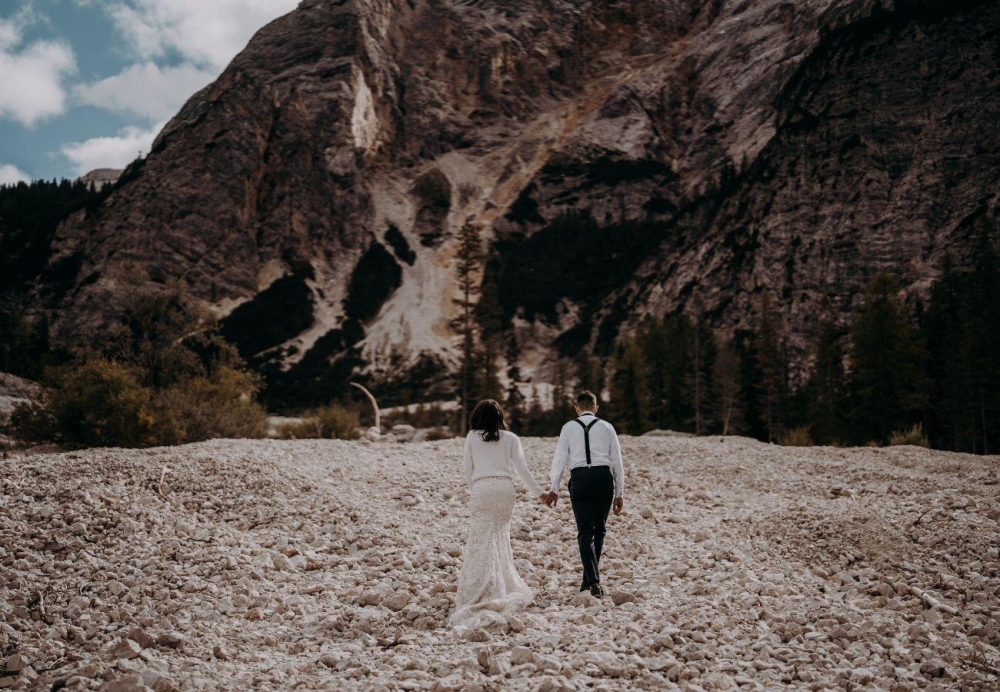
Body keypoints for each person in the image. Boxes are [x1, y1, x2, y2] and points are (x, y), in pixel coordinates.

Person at [449, 399, 549, 628]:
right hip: (505, 489)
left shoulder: (473, 437)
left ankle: (481, 589)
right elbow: (522, 470)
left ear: (477, 417)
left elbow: (467, 469)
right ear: (500, 417)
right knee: (500, 537)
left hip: (482, 488)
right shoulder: (511, 439)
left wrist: (475, 489)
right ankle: (503, 584)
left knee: (481, 538)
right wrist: (540, 494)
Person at [544, 390, 625, 597]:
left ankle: (590, 581)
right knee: (600, 530)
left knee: (584, 531)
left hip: (579, 479)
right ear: (596, 408)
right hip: (603, 478)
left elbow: (560, 459)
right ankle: (592, 581)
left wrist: (554, 488)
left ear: (577, 408)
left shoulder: (568, 427)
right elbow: (617, 461)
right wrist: (619, 492)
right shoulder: (607, 427)